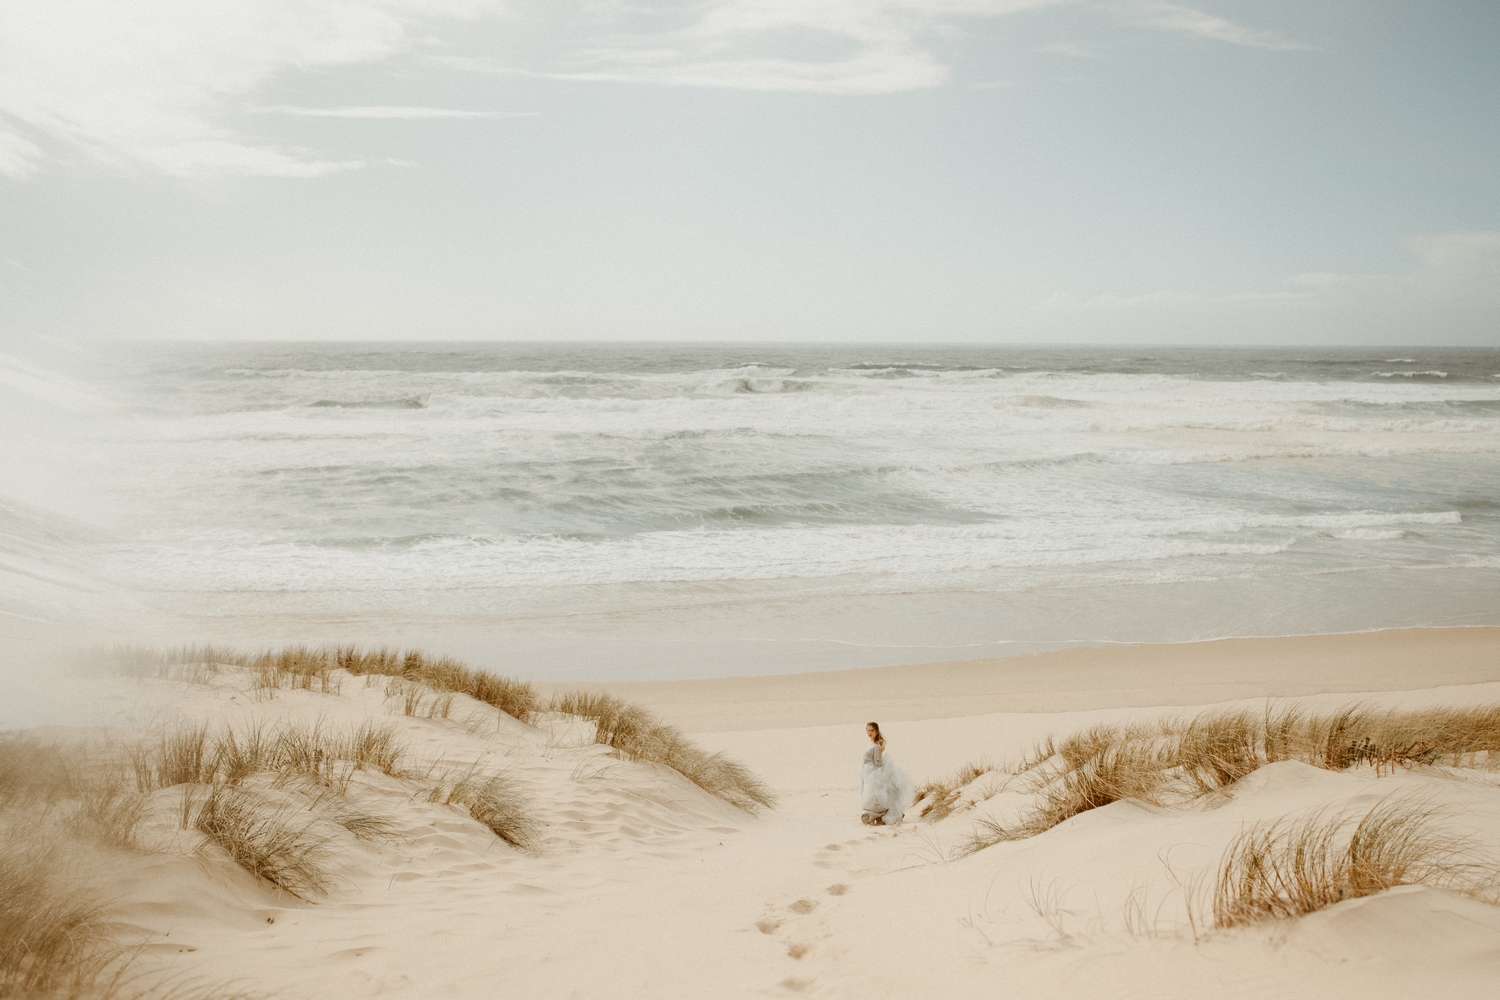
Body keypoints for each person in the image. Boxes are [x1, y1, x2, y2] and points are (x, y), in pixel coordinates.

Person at [859, 721, 914, 826]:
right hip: (867, 772)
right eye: (868, 730)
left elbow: (878, 764)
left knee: (873, 796)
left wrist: (875, 777)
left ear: (876, 731)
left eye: (872, 731)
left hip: (873, 774)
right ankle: (873, 814)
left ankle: (877, 814)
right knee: (869, 794)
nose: (869, 733)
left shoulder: (876, 747)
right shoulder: (871, 744)